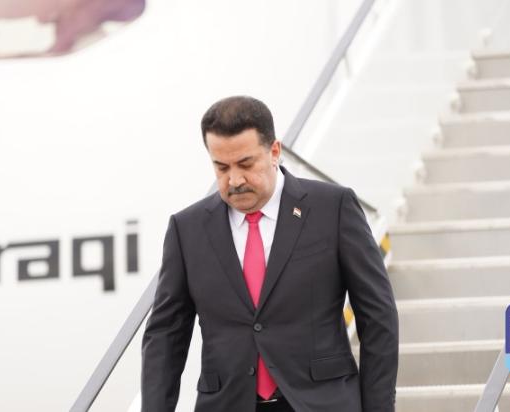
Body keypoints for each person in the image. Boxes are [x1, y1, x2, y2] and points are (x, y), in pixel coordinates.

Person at [141, 96, 398, 412]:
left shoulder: (333, 208)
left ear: (274, 151)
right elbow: (165, 336)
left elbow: (378, 316)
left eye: (246, 164)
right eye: (221, 167)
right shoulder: (187, 229)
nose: (235, 180)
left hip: (321, 403)